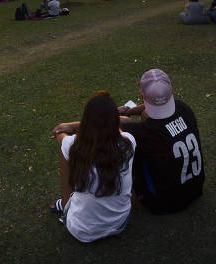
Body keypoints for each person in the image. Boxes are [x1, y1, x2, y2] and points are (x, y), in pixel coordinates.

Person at [50, 91, 136, 242]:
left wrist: (73, 125)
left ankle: (65, 204)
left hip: (80, 230)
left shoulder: (74, 144)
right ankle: (67, 203)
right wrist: (117, 118)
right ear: (115, 122)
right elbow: (124, 125)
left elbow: (59, 132)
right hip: (119, 223)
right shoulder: (128, 142)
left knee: (65, 152)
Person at [115, 69, 204, 214]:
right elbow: (146, 109)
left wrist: (120, 114)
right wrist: (130, 110)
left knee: (124, 133)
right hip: (195, 189)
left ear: (141, 95)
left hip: (162, 203)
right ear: (172, 91)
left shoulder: (143, 132)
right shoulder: (184, 108)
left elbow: (107, 123)